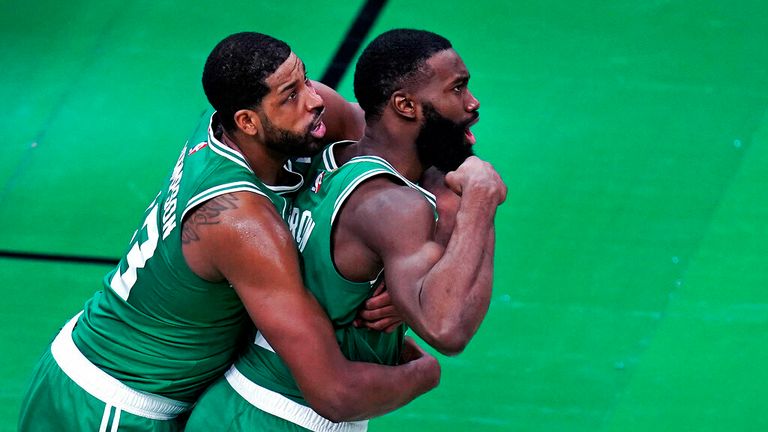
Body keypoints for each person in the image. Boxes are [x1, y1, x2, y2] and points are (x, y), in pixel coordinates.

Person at [18, 32, 443, 432]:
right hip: (109, 405)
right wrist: (424, 371)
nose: (315, 100)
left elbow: (402, 147)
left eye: (304, 79)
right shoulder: (241, 221)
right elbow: (334, 394)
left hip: (136, 376)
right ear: (248, 121)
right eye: (290, 96)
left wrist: (410, 264)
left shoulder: (250, 119)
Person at [185, 28, 506, 431]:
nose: (472, 104)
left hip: (242, 402)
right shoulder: (392, 207)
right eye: (457, 89)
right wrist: (480, 203)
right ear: (405, 105)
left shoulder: (329, 150)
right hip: (285, 418)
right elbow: (447, 328)